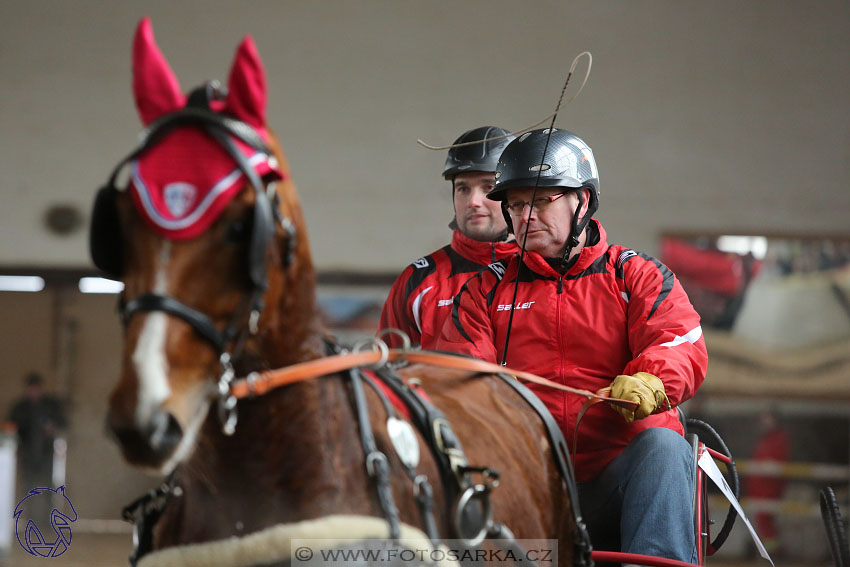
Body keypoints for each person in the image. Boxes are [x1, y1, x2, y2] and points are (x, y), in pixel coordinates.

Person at [436, 128, 708, 562]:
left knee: (664, 447)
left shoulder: (634, 275)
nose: (525, 216)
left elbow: (678, 341)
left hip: (619, 480)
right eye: (517, 204)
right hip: (526, 483)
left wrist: (650, 380)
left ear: (581, 201)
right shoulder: (483, 292)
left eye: (542, 201)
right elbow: (462, 376)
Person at [378, 126, 518, 348]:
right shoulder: (417, 281)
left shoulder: (548, 271)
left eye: (488, 187)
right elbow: (387, 374)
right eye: (463, 189)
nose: (473, 201)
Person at [9, 372, 67, 490]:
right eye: (32, 388)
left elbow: (63, 423)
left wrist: (53, 427)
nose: (34, 392)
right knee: (28, 487)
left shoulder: (51, 405)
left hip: (48, 453)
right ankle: (28, 509)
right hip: (26, 453)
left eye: (37, 388)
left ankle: (47, 509)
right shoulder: (20, 407)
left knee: (48, 487)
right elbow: (11, 426)